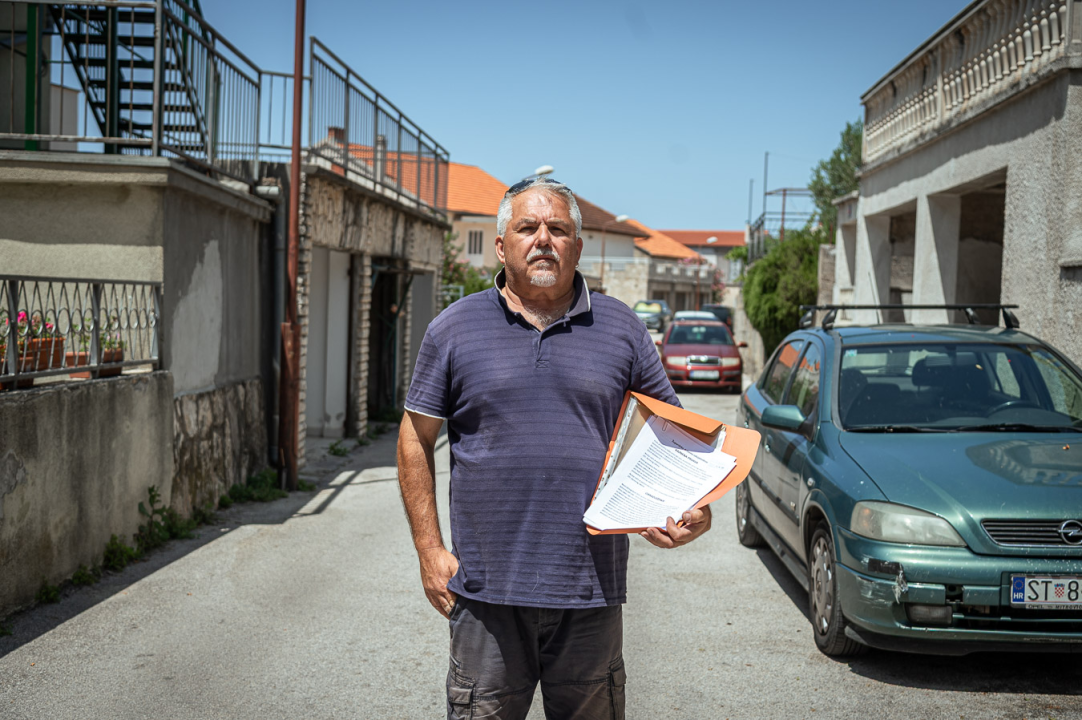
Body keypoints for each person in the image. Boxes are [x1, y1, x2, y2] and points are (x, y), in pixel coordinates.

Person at [396, 177, 712, 719]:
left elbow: (676, 434)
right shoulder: (452, 329)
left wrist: (689, 506)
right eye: (527, 227)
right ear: (501, 245)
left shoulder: (623, 329)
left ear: (577, 246)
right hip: (485, 593)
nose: (544, 239)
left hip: (590, 592)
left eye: (558, 229)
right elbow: (414, 437)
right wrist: (429, 550)